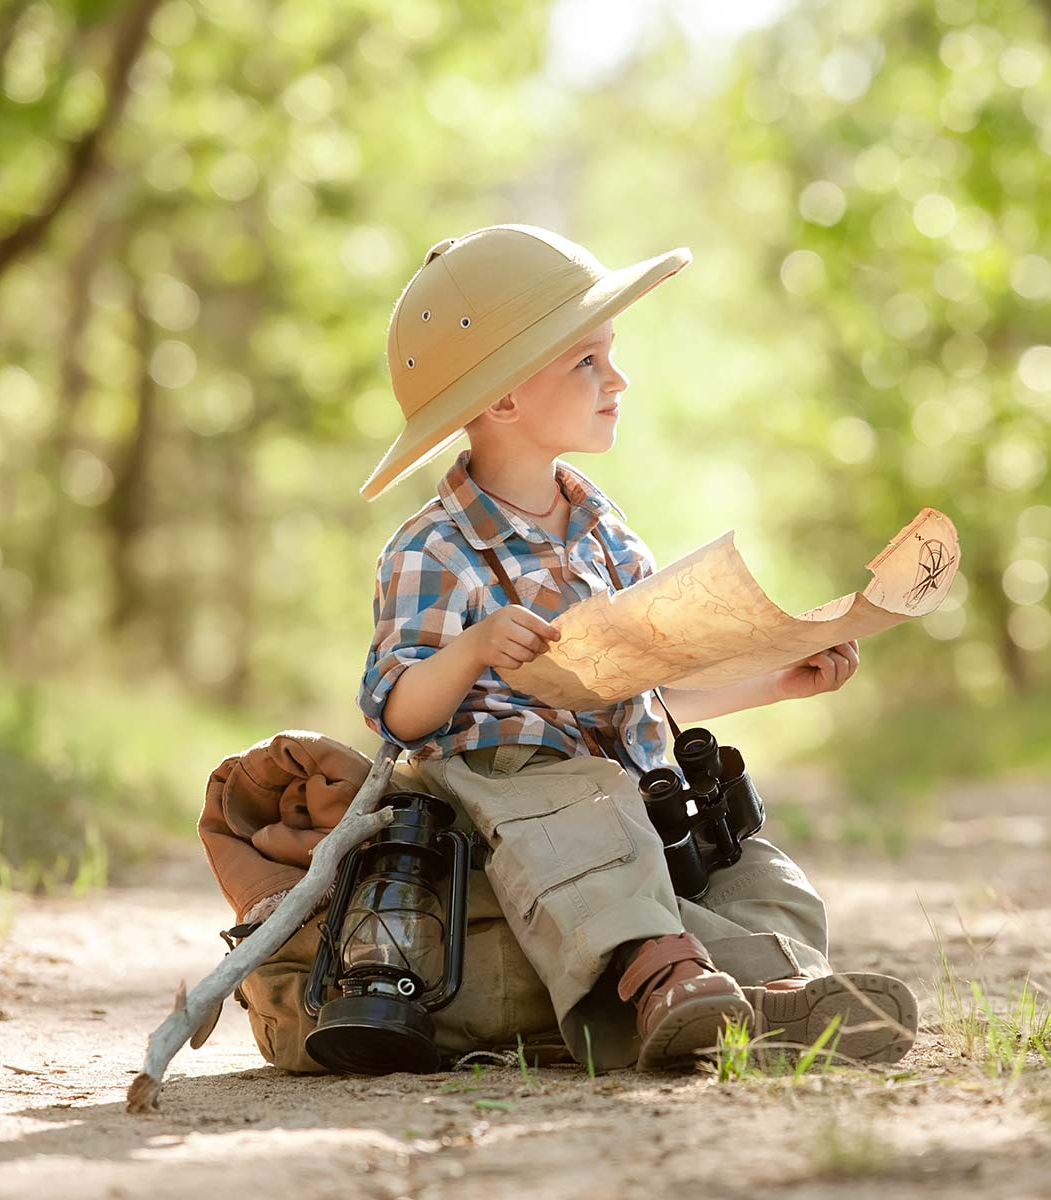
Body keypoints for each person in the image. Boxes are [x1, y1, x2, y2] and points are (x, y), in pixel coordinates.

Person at [355, 224, 917, 1072]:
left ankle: (772, 994)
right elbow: (399, 713)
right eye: (587, 361)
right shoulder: (432, 551)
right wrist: (471, 651)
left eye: (609, 355)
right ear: (503, 398)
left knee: (757, 873)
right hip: (520, 798)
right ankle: (663, 977)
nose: (618, 379)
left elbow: (646, 693)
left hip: (631, 794)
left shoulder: (603, 533)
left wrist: (775, 681)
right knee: (589, 814)